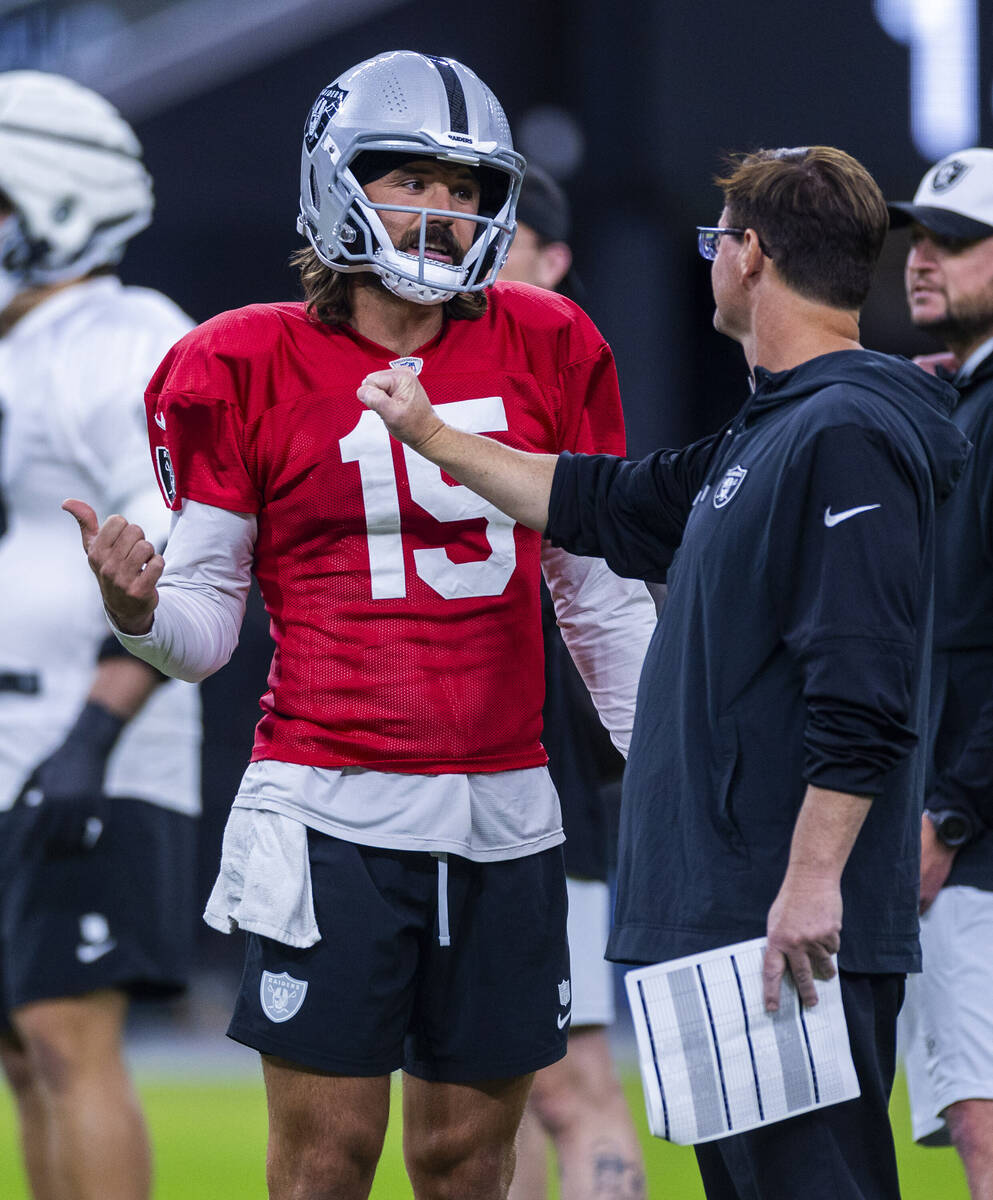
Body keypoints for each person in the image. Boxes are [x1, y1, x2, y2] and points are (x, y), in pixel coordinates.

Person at [64, 50, 656, 1200]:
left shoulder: (553, 341)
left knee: (469, 1159)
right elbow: (204, 632)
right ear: (337, 181)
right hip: (329, 808)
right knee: (326, 1160)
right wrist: (136, 609)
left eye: (467, 188)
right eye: (411, 181)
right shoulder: (237, 360)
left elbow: (596, 601)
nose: (443, 212)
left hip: (509, 811)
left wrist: (669, 774)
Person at [357, 145, 972, 1200]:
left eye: (716, 239)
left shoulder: (847, 429)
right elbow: (598, 499)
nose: (710, 262)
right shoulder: (769, 429)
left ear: (752, 257)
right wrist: (430, 434)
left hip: (782, 921)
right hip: (724, 914)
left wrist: (812, 881)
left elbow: (864, 685)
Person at [0, 72, 201, 1200]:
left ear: (54, 201)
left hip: (87, 737)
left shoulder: (124, 336)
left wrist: (91, 733)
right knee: (26, 1049)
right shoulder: (22, 341)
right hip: (16, 730)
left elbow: (176, 556)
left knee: (69, 1040)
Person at [499, 163, 646, 1200]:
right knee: (472, 1080)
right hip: (459, 782)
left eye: (498, 239)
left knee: (572, 1071)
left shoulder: (565, 372)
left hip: (560, 783)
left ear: (553, 258)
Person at [887, 147, 993, 1200]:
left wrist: (951, 811)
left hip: (982, 837)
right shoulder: (958, 396)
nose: (924, 259)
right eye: (920, 236)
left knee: (986, 1126)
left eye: (956, 242)